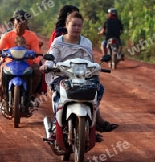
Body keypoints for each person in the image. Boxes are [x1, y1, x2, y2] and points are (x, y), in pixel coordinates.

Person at [40, 11, 118, 141]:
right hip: (62, 76)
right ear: (67, 25)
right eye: (74, 25)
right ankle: (55, 124)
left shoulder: (86, 42)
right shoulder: (58, 42)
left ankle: (91, 125)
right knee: (59, 94)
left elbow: (90, 61)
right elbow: (52, 57)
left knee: (99, 88)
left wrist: (95, 68)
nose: (76, 28)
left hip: (82, 77)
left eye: (79, 26)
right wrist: (47, 66)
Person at [0, 9, 42, 106]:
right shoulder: (7, 35)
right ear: (13, 22)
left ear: (26, 22)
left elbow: (36, 51)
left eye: (23, 20)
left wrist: (36, 58)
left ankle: (31, 94)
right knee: (0, 70)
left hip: (28, 63)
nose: (20, 23)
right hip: (9, 62)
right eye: (18, 20)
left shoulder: (32, 36)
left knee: (38, 71)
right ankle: (1, 94)